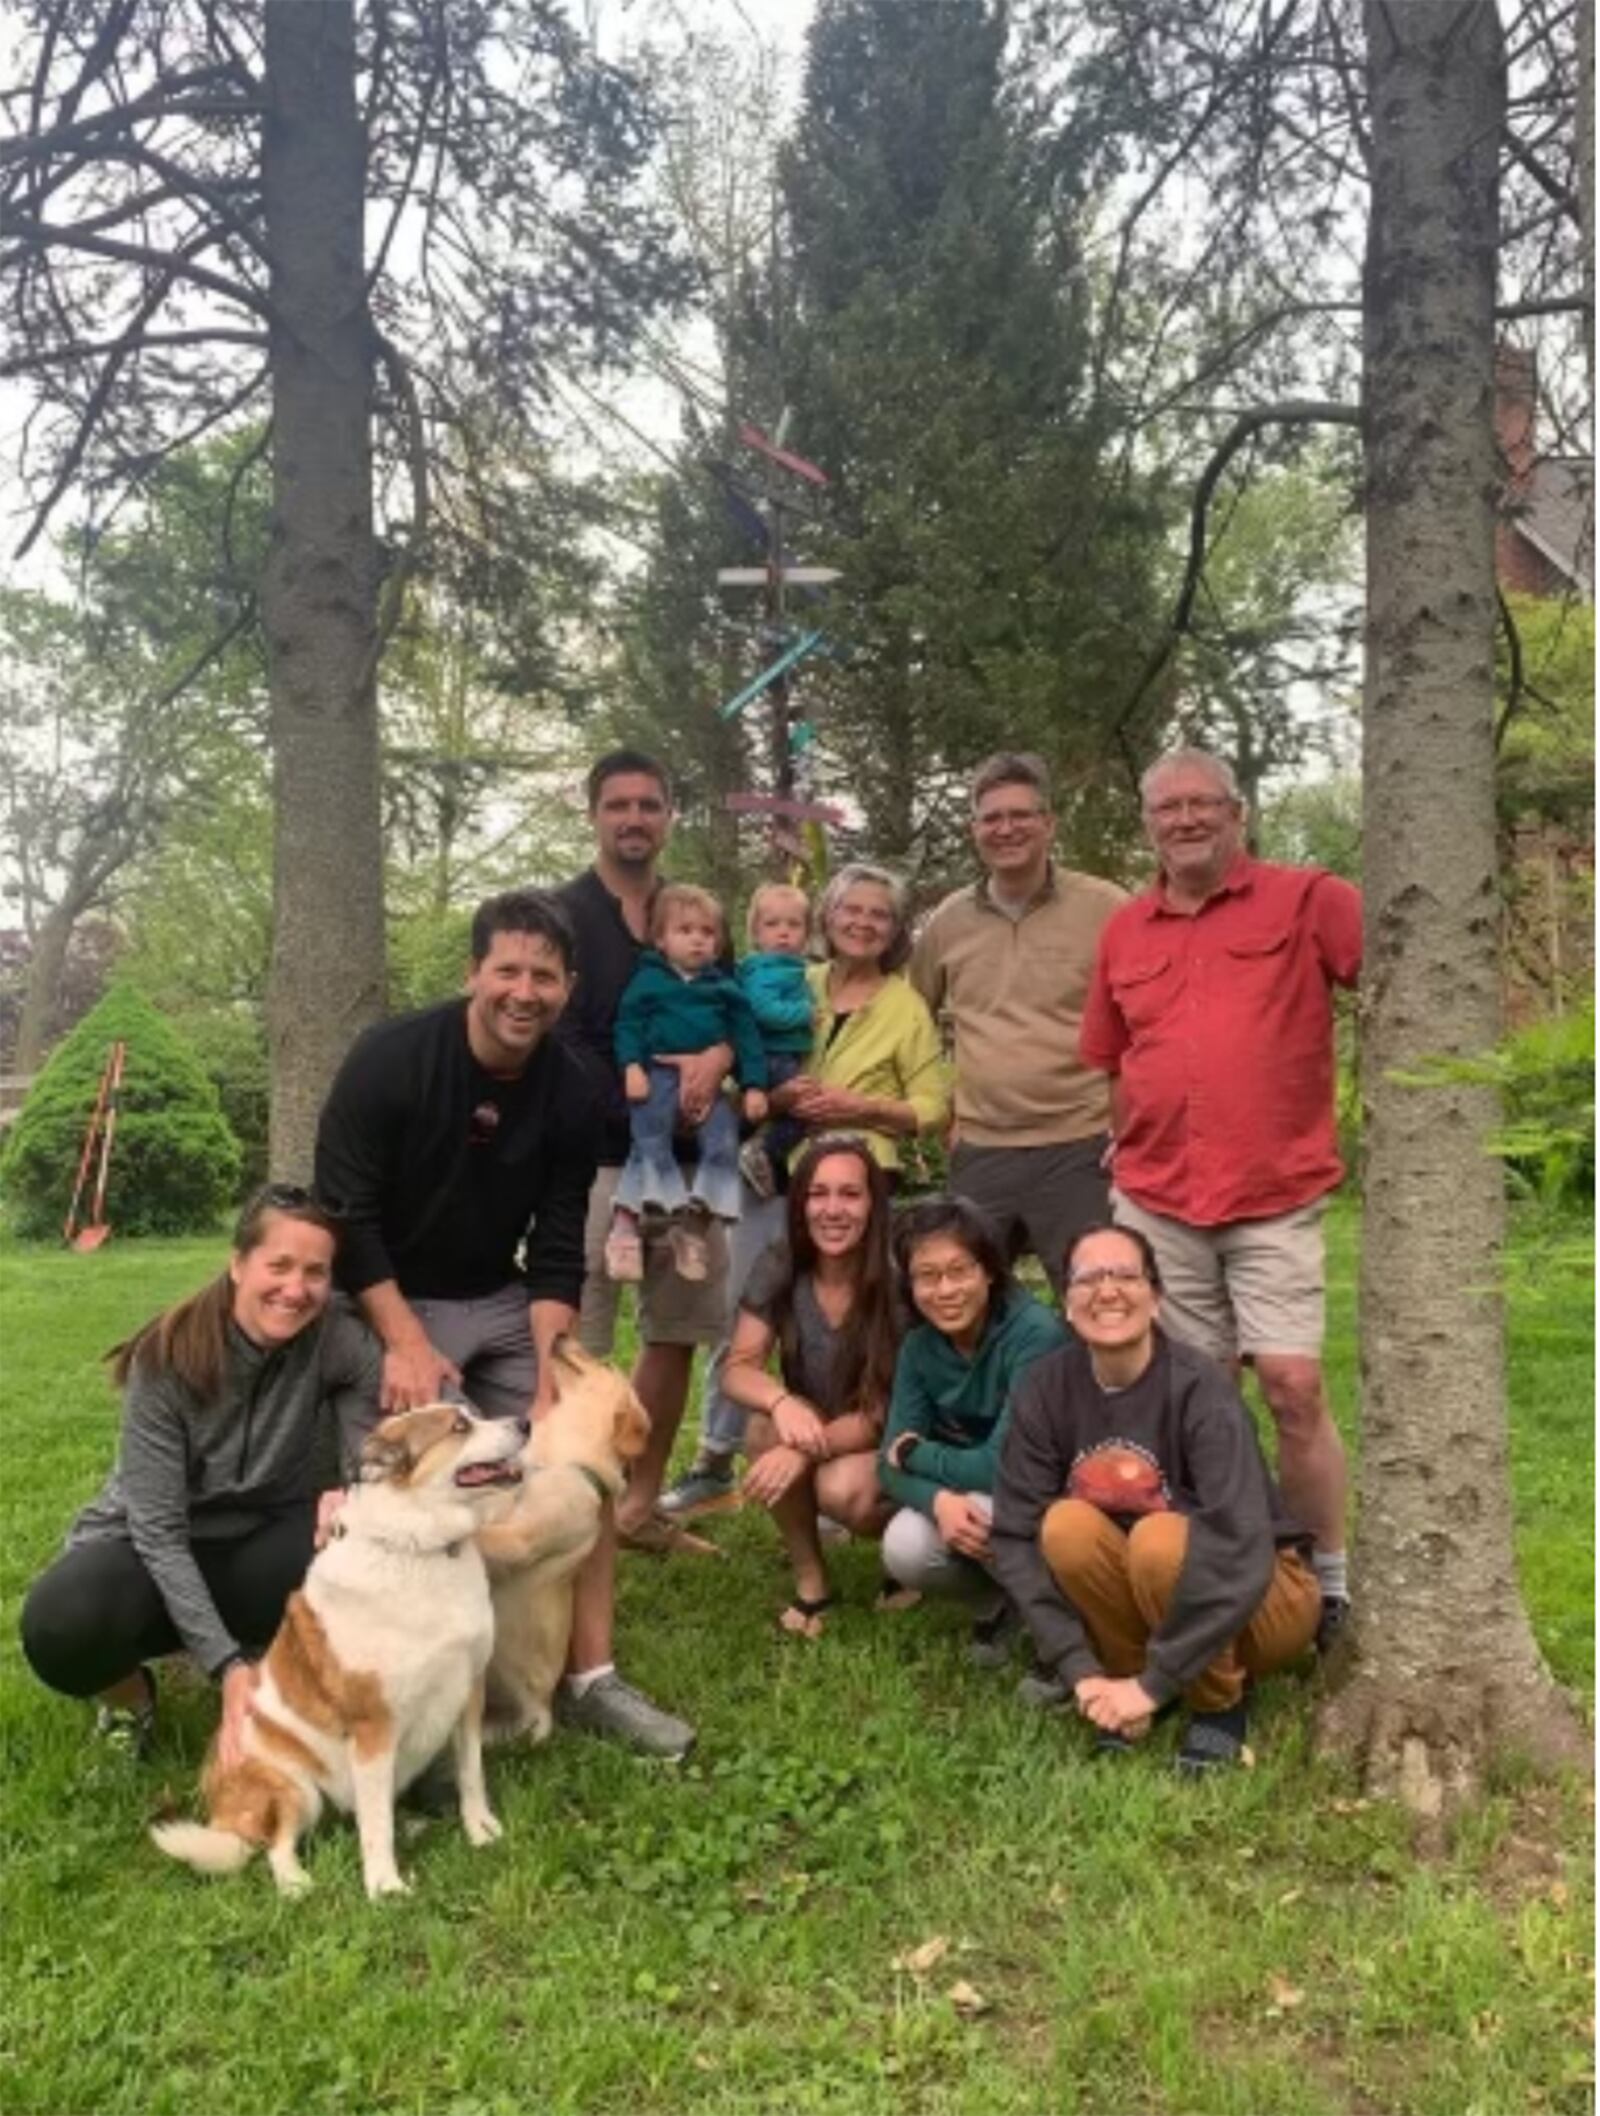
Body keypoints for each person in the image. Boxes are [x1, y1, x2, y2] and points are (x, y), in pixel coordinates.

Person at [314, 886, 691, 1758]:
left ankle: (592, 1677)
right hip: (388, 1295)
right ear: (473, 973)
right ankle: (380, 1687)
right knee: (402, 1481)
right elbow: (348, 1216)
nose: (526, 992)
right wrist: (405, 1343)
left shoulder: (572, 1088)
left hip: (500, 1296)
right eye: (509, 971)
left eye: (546, 977)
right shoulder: (390, 1058)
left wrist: (551, 1367)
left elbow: (561, 1240)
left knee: (578, 1460)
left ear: (567, 988)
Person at [1079, 747, 1361, 1648]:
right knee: (1190, 1396)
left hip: (1272, 1190)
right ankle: (1217, 1559)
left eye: (1204, 804)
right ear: (1148, 824)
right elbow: (1114, 1058)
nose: (1187, 820)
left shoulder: (1309, 898)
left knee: (1292, 1386)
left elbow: (1405, 976)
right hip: (1159, 1200)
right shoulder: (1126, 930)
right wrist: (1126, 1144)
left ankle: (1329, 1577)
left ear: (1239, 812)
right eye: (1169, 808)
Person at [20, 1186, 381, 1764]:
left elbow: (369, 1444)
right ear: (238, 1264)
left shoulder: (339, 1338)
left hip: (258, 1540)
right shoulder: (166, 1357)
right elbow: (159, 1533)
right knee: (62, 1624)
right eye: (279, 1265)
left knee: (363, 1551)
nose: (296, 1289)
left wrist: (352, 1492)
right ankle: (129, 1700)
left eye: (316, 1272)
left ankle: (292, 1693)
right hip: (146, 1549)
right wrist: (226, 1667)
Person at [660, 863, 950, 1521]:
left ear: (896, 929)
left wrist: (859, 1106)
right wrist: (772, 1095)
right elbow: (735, 1055)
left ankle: (836, 1457)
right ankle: (714, 1458)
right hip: (773, 1173)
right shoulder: (792, 978)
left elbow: (932, 1107)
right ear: (828, 917)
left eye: (880, 913)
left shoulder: (905, 1006)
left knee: (848, 1320)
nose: (864, 923)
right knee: (744, 1309)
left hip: (859, 1183)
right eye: (852, 910)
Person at [989, 1223, 1320, 1772]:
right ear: (1067, 1304)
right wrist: (1079, 1668)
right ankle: (1125, 1682)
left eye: (1125, 1274)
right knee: (1064, 1526)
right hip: (1151, 1596)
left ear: (1157, 1297)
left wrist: (1159, 1682)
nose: (1108, 1290)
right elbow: (1016, 1535)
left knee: (1160, 1539)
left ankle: (1217, 1702)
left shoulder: (1202, 1389)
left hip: (1264, 1593)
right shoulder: (1044, 1388)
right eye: (1088, 1278)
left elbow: (1238, 1541)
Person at [910, 753, 1128, 1296]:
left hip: (1083, 1146)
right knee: (965, 1307)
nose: (1006, 829)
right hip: (983, 1151)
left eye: (1021, 815)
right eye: (991, 818)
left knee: (1099, 1301)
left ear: (1049, 823)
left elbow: (1148, 1024)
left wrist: (1131, 1124)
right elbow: (910, 1023)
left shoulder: (1107, 909)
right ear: (974, 830)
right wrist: (939, 1112)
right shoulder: (947, 922)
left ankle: (1091, 1386)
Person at [719, 1135, 905, 1635]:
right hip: (818, 1417)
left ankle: (905, 1558)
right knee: (761, 1427)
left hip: (894, 1433)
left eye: (850, 1194)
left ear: (873, 1203)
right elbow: (737, 1367)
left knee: (844, 1490)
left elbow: (889, 1409)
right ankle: (811, 1579)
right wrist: (780, 1401)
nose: (832, 1210)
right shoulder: (782, 1263)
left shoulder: (896, 1274)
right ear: (799, 1202)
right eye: (817, 1194)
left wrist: (803, 1450)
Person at [877, 1195, 1067, 1662]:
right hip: (978, 1494)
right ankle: (1003, 1606)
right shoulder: (920, 1346)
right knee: (905, 1545)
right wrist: (937, 1500)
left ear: (989, 1271)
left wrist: (916, 1456)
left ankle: (1066, 1625)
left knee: (995, 1512)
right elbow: (886, 1468)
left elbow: (1002, 1466)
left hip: (1057, 1498)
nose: (944, 1290)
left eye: (959, 1271)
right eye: (927, 1276)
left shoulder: (1036, 1335)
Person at [607, 883, 768, 1284]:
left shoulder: (725, 988)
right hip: (656, 1074)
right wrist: (631, 1067)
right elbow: (627, 1024)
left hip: (711, 1088)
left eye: (707, 932)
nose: (697, 939)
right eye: (686, 930)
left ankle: (694, 1225)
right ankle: (627, 1226)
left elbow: (746, 1037)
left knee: (723, 1141)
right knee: (649, 1138)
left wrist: (754, 1085)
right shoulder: (648, 980)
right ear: (661, 939)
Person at [735, 880, 817, 1200]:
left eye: (793, 925)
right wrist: (804, 1013)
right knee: (803, 1112)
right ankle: (763, 1152)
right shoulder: (765, 969)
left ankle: (761, 1153)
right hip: (772, 1055)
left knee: (790, 1112)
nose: (783, 933)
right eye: (772, 924)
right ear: (756, 932)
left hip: (782, 1054)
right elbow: (763, 1010)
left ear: (807, 933)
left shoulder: (789, 966)